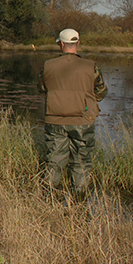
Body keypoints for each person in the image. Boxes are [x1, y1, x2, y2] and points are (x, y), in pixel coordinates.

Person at [38, 28, 107, 193]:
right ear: (78, 44)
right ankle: (80, 198)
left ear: (61, 44)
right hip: (83, 120)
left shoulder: (48, 65)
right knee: (82, 161)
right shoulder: (91, 66)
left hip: (55, 119)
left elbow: (42, 89)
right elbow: (101, 92)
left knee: (54, 161)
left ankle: (48, 198)